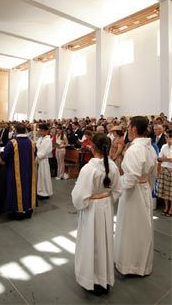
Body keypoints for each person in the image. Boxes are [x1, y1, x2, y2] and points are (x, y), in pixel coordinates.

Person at [72, 133, 122, 295]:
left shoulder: (88, 169)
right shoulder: (113, 166)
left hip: (91, 209)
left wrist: (86, 201)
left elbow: (78, 197)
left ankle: (91, 279)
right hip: (106, 207)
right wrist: (106, 198)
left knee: (91, 242)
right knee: (105, 242)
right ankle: (104, 279)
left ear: (93, 147)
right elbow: (117, 190)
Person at [115, 116, 157, 276]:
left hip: (133, 194)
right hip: (144, 189)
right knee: (143, 227)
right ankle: (142, 263)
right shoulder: (150, 148)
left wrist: (116, 184)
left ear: (133, 129)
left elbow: (130, 178)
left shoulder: (134, 149)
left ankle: (130, 265)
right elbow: (153, 172)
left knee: (131, 227)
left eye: (128, 128)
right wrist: (146, 185)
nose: (127, 131)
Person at [0, 123, 37, 220]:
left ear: (15, 131)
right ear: (25, 131)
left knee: (14, 190)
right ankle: (27, 210)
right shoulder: (31, 142)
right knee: (27, 189)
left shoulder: (12, 142)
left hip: (15, 172)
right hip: (28, 172)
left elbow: (4, 157)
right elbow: (34, 155)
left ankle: (17, 212)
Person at [157, 129, 172, 217]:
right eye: (166, 137)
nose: (166, 138)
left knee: (171, 191)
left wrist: (165, 159)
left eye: (168, 137)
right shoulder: (164, 146)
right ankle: (166, 207)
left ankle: (171, 209)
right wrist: (167, 159)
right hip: (163, 168)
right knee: (165, 191)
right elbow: (159, 158)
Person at [36, 124, 53, 199]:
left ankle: (45, 193)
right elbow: (37, 147)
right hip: (39, 160)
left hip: (43, 160)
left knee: (43, 177)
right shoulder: (40, 139)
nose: (40, 132)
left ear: (46, 131)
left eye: (41, 131)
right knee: (40, 177)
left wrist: (36, 157)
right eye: (39, 130)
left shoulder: (48, 140)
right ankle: (40, 191)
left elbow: (43, 152)